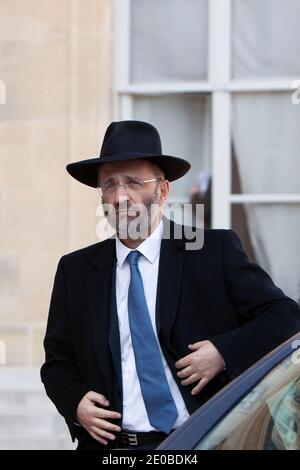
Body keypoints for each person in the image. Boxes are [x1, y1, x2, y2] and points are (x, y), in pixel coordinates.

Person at [41, 120, 300, 450]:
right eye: (109, 185)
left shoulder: (211, 251)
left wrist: (224, 351)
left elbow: (285, 317)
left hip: (205, 441)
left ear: (162, 191)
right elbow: (57, 362)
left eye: (134, 182)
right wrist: (75, 402)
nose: (120, 196)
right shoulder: (74, 271)